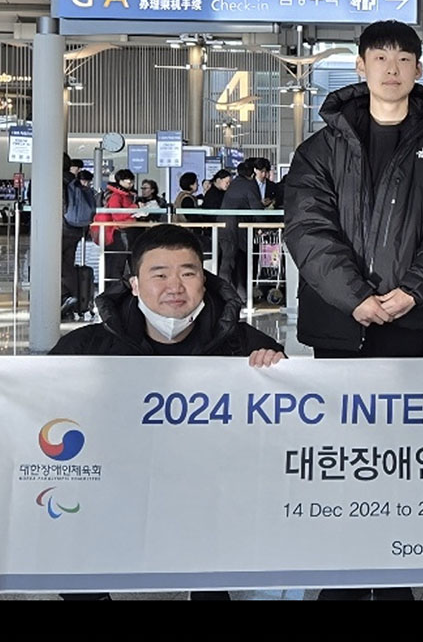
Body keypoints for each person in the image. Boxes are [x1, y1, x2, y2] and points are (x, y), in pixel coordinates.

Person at [285, 20, 423, 601]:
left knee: (396, 453)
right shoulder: (318, 148)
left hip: (406, 324)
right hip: (336, 326)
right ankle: (339, 573)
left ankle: (394, 571)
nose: (392, 68)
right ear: (361, 66)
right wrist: (354, 297)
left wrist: (415, 291)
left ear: (419, 69)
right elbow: (307, 229)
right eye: (380, 57)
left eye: (404, 58)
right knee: (339, 454)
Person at [50, 223, 285, 602]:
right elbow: (39, 405)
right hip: (114, 484)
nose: (175, 287)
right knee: (78, 572)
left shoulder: (241, 343)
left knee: (211, 578)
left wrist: (278, 369)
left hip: (207, 488)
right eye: (159, 274)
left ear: (203, 282)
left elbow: (294, 413)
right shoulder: (86, 347)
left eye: (188, 273)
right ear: (135, 284)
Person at [218, 161, 264, 300]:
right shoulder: (249, 185)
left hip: (224, 225)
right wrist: (263, 225)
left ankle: (236, 294)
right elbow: (257, 209)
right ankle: (226, 294)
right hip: (234, 228)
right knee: (230, 262)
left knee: (229, 261)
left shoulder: (235, 183)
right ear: (252, 173)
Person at [92, 168, 139, 287]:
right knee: (116, 266)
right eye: (128, 182)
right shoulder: (116, 196)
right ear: (120, 181)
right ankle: (113, 293)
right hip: (119, 233)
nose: (131, 184)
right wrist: (135, 208)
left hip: (122, 232)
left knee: (118, 265)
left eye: (132, 182)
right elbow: (117, 215)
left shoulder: (125, 195)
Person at [62, 162, 97, 314]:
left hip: (62, 228)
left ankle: (66, 296)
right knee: (68, 263)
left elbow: (62, 206)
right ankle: (73, 298)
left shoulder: (60, 179)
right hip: (77, 230)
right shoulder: (75, 181)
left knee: (54, 263)